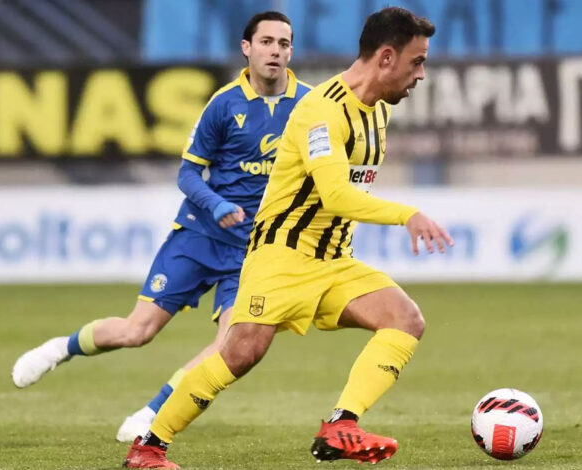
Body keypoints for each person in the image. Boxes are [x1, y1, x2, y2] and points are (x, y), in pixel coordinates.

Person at [122, 6, 449, 469]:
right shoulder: (321, 110)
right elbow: (336, 195)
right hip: (281, 258)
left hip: (333, 260)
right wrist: (407, 215)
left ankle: (341, 425)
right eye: (417, 62)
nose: (421, 75)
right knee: (240, 353)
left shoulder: (377, 112)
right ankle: (148, 447)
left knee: (405, 318)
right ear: (386, 57)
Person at [11, 11, 311, 442]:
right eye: (266, 42)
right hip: (201, 235)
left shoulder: (309, 105)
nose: (275, 51)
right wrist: (217, 204)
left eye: (283, 44)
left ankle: (153, 411)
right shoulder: (224, 104)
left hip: (254, 252)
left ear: (291, 52)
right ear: (247, 48)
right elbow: (188, 174)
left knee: (230, 346)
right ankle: (61, 348)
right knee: (137, 331)